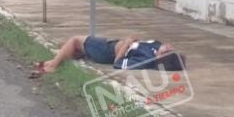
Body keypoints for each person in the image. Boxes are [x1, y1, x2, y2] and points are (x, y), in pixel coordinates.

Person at [30, 34, 186, 77]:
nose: (168, 46)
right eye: (170, 48)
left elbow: (118, 64)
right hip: (112, 43)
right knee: (75, 50)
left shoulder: (144, 61)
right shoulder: (156, 46)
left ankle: (53, 66)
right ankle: (51, 62)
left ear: (160, 58)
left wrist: (126, 44)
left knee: (75, 41)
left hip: (107, 51)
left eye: (167, 50)